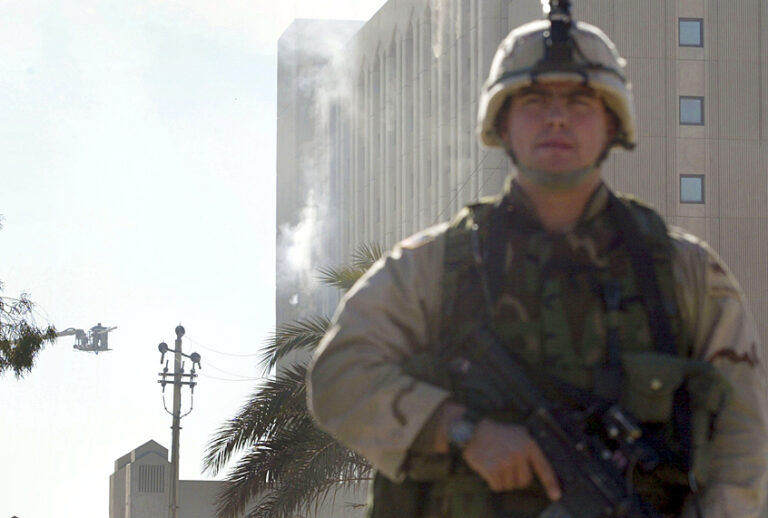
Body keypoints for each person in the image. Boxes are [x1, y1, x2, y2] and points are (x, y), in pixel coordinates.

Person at [307, 5, 768, 517]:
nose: (556, 116)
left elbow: (743, 439)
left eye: (579, 101)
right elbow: (337, 378)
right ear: (501, 122)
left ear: (613, 121)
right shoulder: (433, 267)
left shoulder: (685, 273)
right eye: (533, 99)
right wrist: (463, 430)